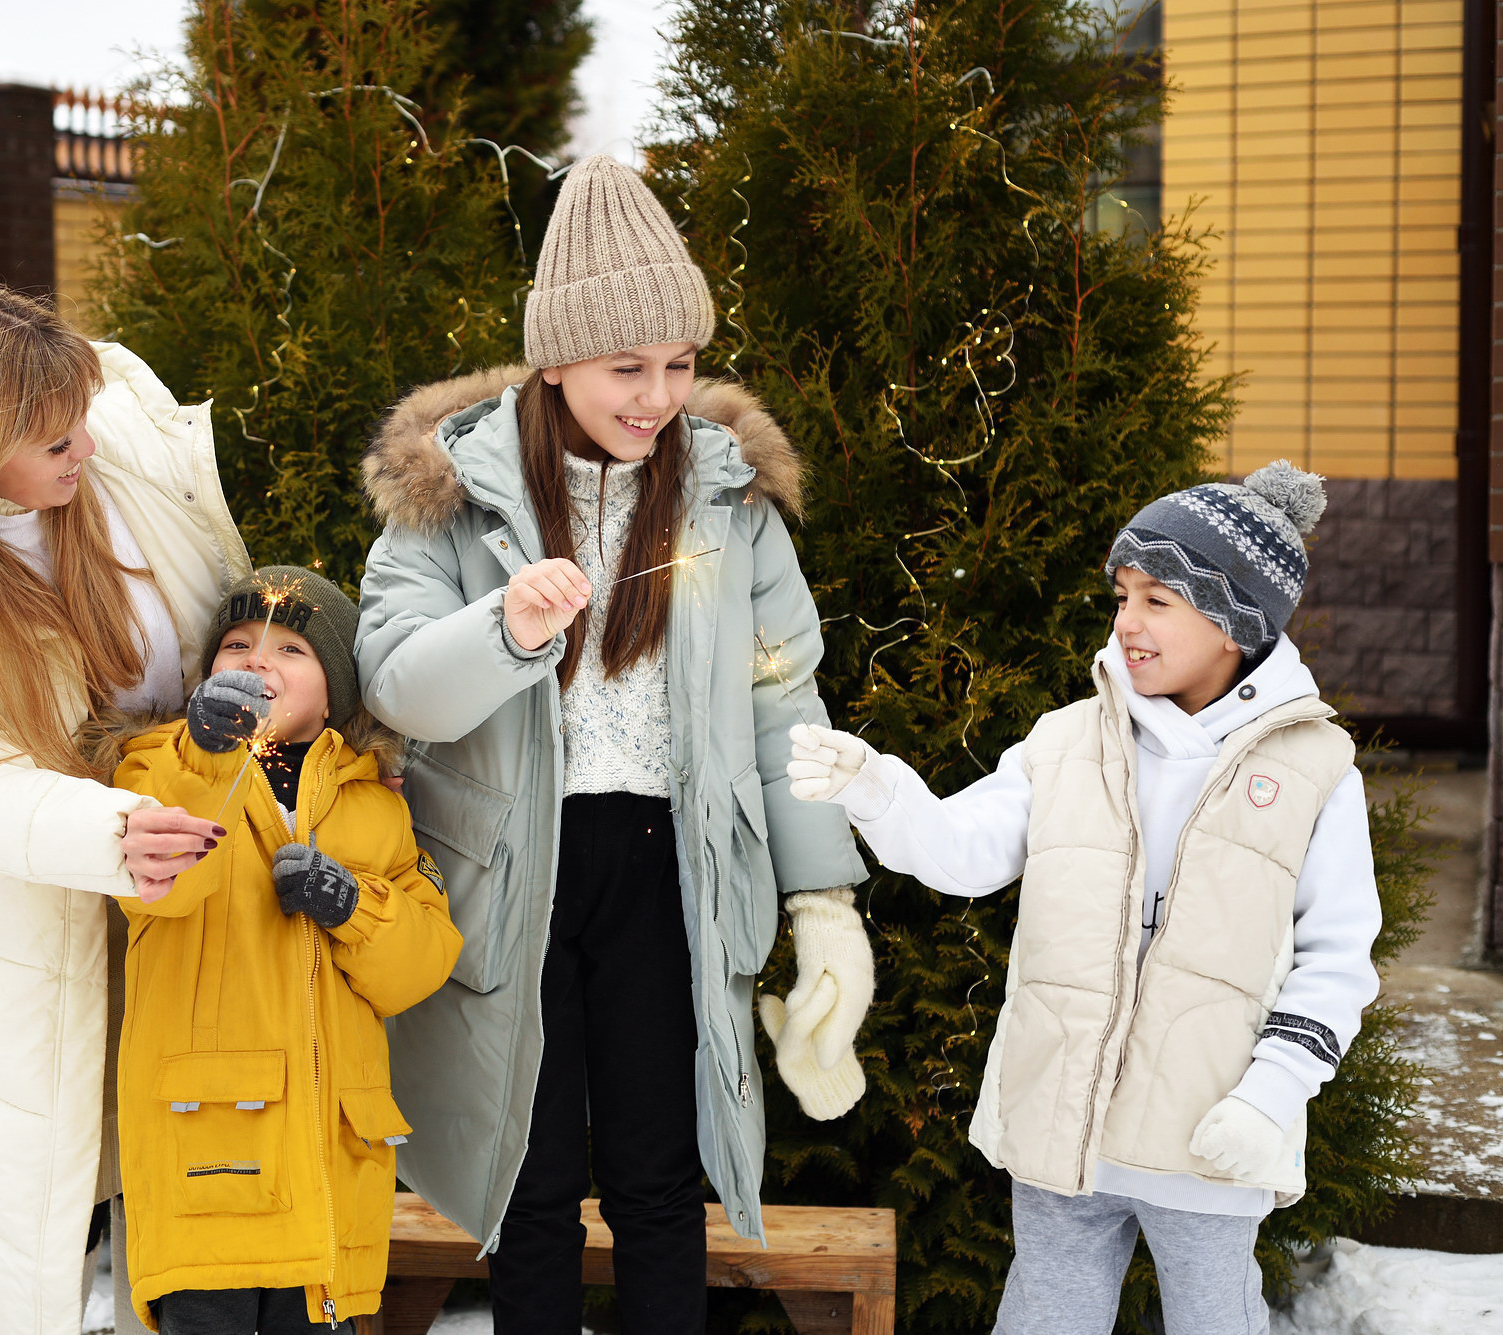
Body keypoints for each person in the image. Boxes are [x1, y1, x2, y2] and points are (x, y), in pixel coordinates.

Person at [353, 156, 874, 1335]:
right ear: (552, 360)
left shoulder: (726, 502)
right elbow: (394, 682)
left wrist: (823, 904)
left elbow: (781, 701)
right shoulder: (453, 498)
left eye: (679, 365)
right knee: (526, 1187)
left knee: (656, 1181)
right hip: (510, 877)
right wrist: (504, 626)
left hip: (670, 870)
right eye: (623, 368)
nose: (655, 396)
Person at [788, 463, 1382, 1335]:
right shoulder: (1067, 742)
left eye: (1158, 600)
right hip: (1067, 1132)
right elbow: (963, 849)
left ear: (1235, 622)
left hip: (1209, 1134)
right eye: (1122, 595)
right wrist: (880, 791)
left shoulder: (1315, 772)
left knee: (1217, 1318)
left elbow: (1337, 955)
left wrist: (1273, 1093)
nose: (1126, 622)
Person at [0, 284, 250, 1335]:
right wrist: (107, 832)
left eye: (82, 417)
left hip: (197, 877)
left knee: (205, 1172)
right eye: (51, 439)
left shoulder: (102, 438)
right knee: (33, 1199)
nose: (86, 450)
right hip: (25, 906)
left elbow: (236, 627)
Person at [102, 567, 461, 1333]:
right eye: (237, 644)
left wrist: (353, 905)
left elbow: (423, 961)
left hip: (330, 1175)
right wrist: (204, 752)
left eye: (291, 647)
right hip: (205, 1160)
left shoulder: (375, 802)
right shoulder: (158, 766)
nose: (258, 660)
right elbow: (152, 885)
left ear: (333, 690)